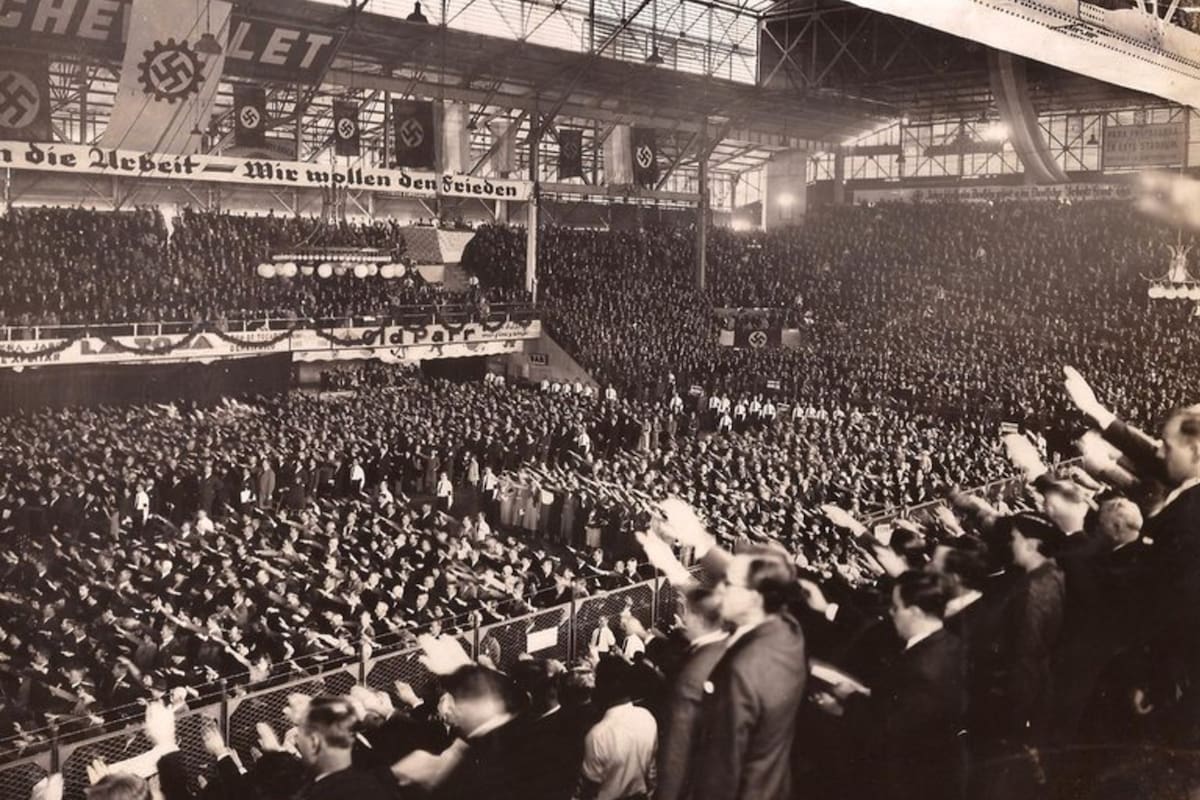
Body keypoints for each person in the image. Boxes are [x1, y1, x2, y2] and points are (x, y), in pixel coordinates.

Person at [829, 571, 968, 800]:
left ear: (914, 612)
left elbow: (890, 733)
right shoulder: (950, 643)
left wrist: (845, 703)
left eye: (895, 607)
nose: (891, 613)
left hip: (907, 783)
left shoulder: (923, 667)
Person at [656, 584, 729, 800]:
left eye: (685, 611)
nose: (682, 618)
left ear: (696, 618)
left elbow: (676, 753)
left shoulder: (691, 675)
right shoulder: (726, 645)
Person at [580, 656, 658, 800]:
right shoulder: (647, 717)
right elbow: (652, 772)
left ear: (601, 687)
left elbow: (589, 788)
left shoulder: (598, 734)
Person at [294, 696, 395, 799]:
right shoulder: (383, 783)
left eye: (299, 737)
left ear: (314, 742)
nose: (298, 742)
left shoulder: (313, 795)